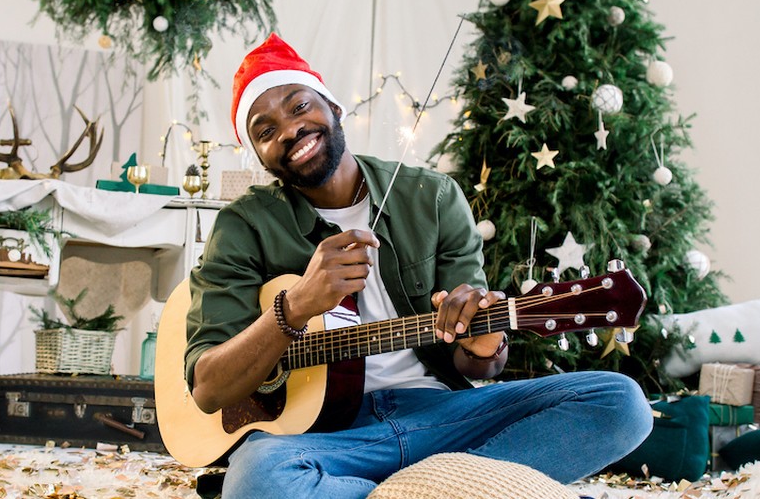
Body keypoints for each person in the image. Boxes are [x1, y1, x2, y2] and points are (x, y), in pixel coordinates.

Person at [183, 33, 652, 498]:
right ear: (261, 156)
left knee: (621, 403)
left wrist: (485, 343)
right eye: (265, 131)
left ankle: (383, 491)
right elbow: (207, 386)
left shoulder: (433, 197)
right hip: (326, 439)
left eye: (299, 106)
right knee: (257, 478)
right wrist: (296, 306)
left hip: (442, 420)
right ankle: (461, 490)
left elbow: (476, 363)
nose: (288, 130)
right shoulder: (243, 225)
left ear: (333, 108)